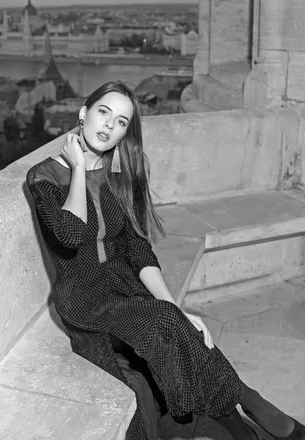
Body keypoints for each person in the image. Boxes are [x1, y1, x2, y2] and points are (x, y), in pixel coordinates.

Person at [27, 80, 304, 440]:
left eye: (122, 122)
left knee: (175, 324)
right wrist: (78, 168)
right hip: (85, 299)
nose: (109, 126)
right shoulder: (43, 176)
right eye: (103, 112)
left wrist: (177, 307)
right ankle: (249, 404)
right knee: (163, 324)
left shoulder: (118, 176)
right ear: (84, 113)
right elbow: (71, 234)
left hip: (123, 287)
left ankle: (241, 424)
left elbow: (138, 251)